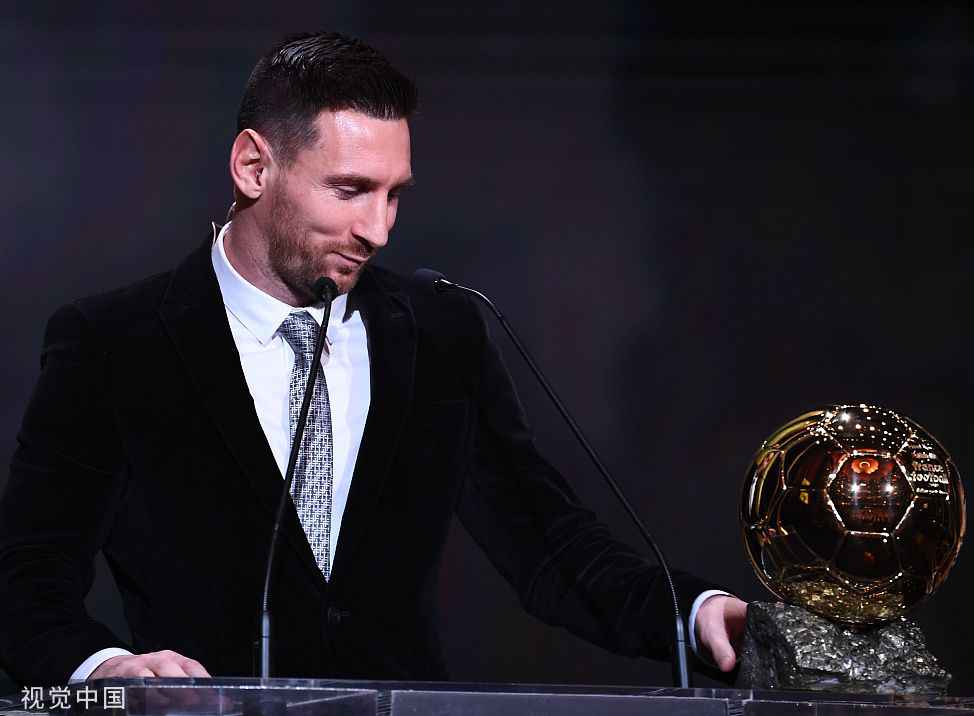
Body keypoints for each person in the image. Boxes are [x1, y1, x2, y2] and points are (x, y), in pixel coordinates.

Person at [0, 32, 746, 687]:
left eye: (394, 196)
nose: (379, 230)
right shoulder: (113, 345)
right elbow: (24, 583)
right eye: (351, 190)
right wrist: (106, 671)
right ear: (254, 167)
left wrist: (693, 612)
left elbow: (550, 546)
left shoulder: (441, 334)